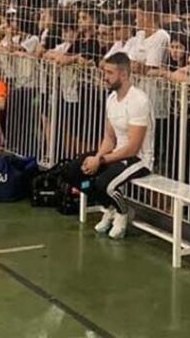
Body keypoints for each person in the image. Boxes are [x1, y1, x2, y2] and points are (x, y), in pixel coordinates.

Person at [65, 52, 153, 240]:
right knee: (74, 171)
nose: (105, 77)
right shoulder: (111, 99)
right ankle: (111, 207)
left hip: (138, 159)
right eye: (105, 72)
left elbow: (133, 148)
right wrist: (96, 158)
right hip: (116, 154)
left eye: (110, 73)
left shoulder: (138, 100)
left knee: (104, 184)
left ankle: (123, 212)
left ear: (124, 74)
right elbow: (109, 138)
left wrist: (102, 160)